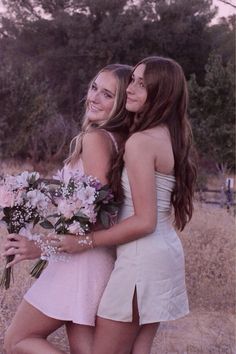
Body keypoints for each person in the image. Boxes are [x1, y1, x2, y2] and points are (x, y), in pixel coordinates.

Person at [54, 56, 197, 354]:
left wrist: (86, 241)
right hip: (163, 254)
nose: (130, 89)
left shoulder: (141, 142)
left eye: (142, 85)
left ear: (161, 94)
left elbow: (145, 220)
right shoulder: (169, 136)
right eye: (133, 79)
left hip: (140, 260)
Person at [3, 63, 133, 354]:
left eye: (107, 95)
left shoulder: (96, 139)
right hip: (92, 259)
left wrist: (38, 247)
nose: (94, 97)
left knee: (17, 340)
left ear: (122, 105)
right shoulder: (118, 141)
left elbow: (95, 211)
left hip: (79, 263)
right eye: (94, 88)